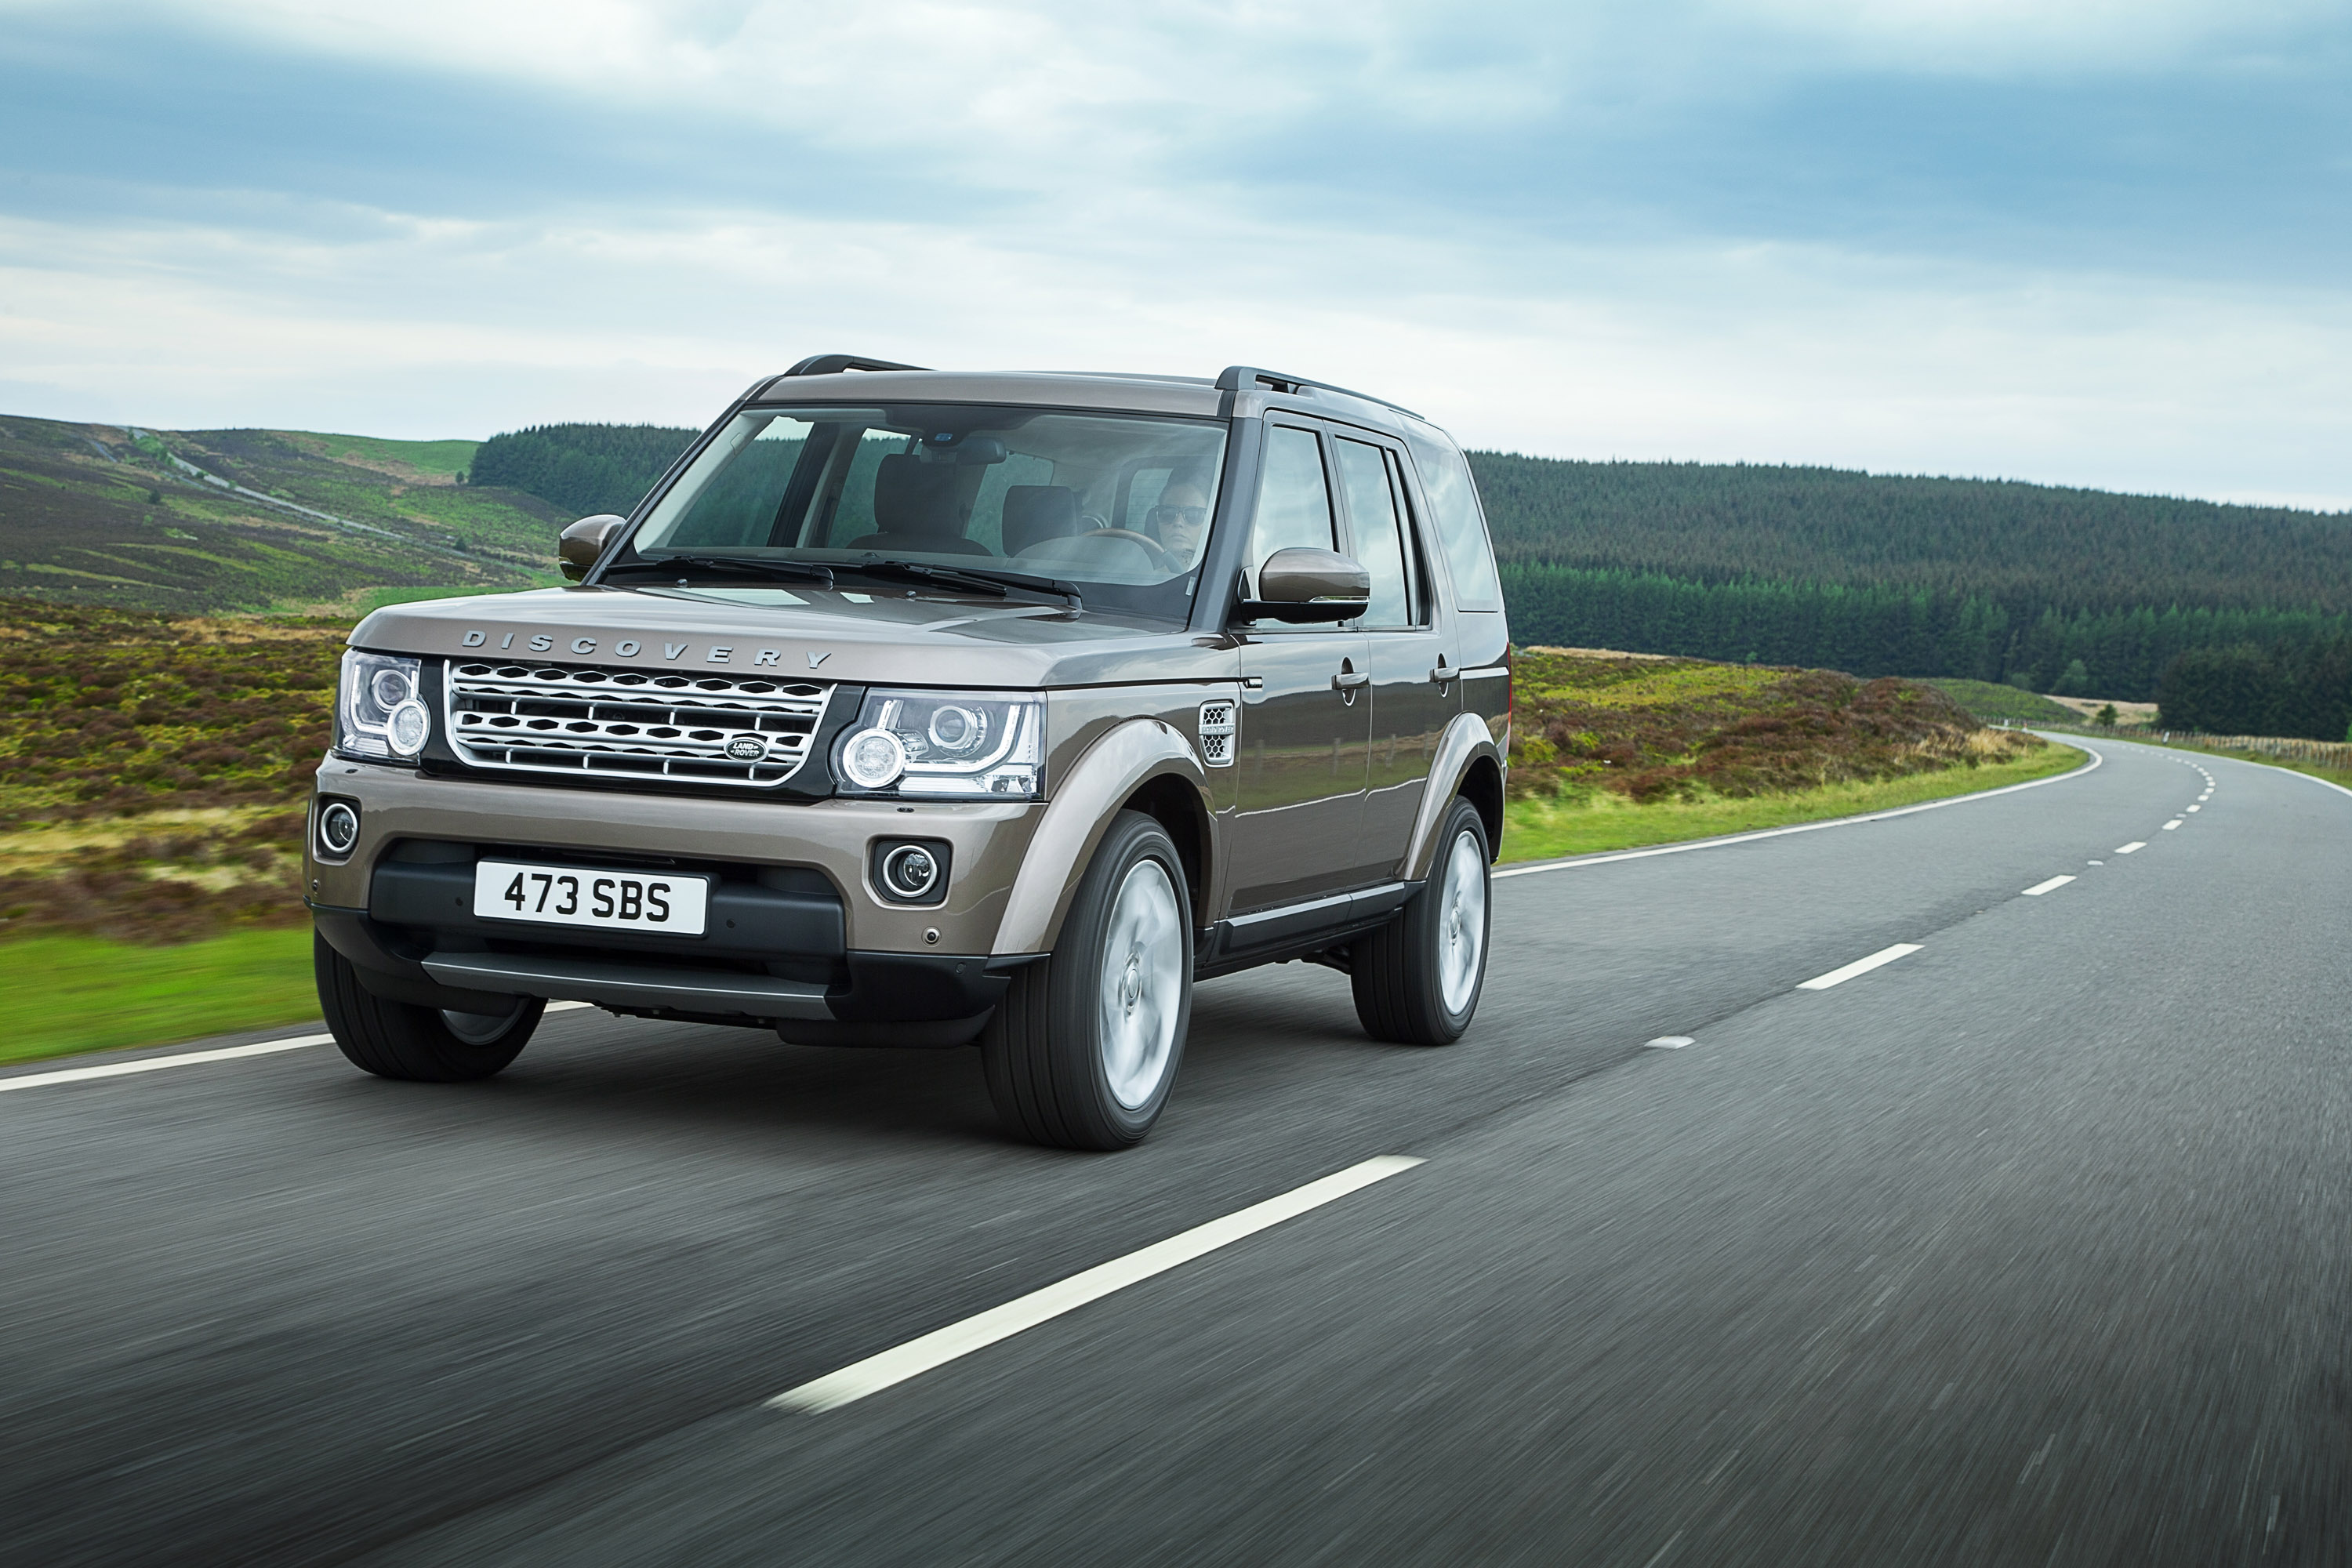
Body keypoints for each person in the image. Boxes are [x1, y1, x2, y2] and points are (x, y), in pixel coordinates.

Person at [1145, 480, 1209, 569]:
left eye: (1193, 514)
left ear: (1209, 522)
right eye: (1168, 513)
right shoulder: (1138, 574)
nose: (1178, 522)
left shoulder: (1223, 574)